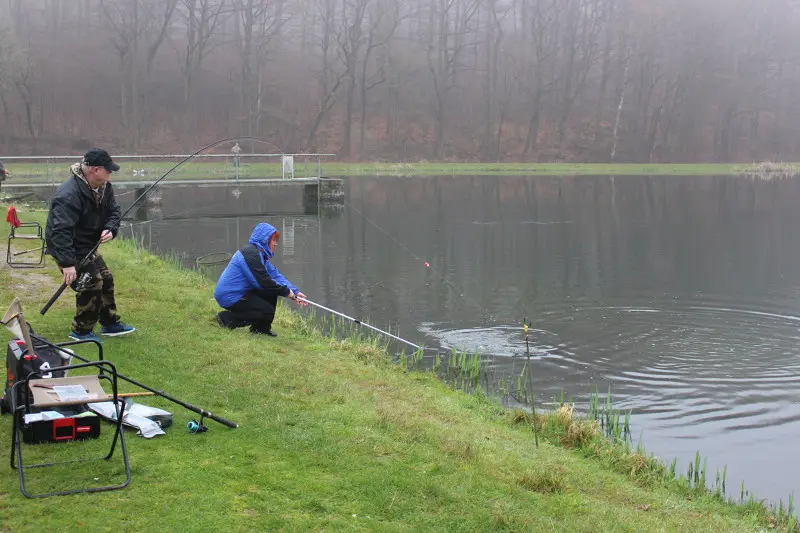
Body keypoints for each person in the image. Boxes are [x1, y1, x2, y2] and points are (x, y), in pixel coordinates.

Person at [45, 148, 135, 342]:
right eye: (108, 170)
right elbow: (60, 231)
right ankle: (81, 331)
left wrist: (110, 229)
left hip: (88, 244)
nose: (111, 174)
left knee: (106, 278)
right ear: (96, 170)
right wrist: (67, 263)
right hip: (68, 247)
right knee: (91, 282)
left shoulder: (104, 187)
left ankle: (109, 323)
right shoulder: (68, 195)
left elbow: (114, 212)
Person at [214, 222, 307, 336]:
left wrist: (295, 292)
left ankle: (261, 329)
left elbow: (275, 275)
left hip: (240, 293)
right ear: (264, 240)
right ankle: (225, 319)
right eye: (273, 240)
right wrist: (287, 292)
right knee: (265, 310)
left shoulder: (259, 254)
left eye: (276, 240)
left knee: (272, 292)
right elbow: (263, 282)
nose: (276, 244)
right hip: (229, 296)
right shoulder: (250, 255)